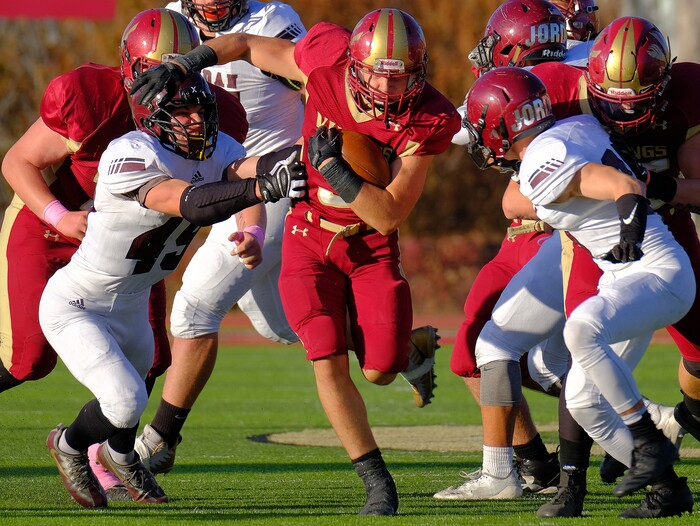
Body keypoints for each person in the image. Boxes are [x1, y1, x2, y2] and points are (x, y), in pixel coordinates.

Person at [130, 7, 460, 515]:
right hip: (305, 231)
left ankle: (403, 352)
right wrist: (184, 64)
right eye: (377, 74)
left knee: (377, 370)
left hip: (364, 240)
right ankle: (376, 480)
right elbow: (242, 43)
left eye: (402, 78)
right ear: (353, 63)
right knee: (313, 348)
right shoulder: (324, 60)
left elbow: (388, 216)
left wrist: (333, 168)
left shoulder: (429, 117)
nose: (389, 90)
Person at [0, 7, 248, 501]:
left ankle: (118, 454)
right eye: (154, 73)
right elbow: (18, 160)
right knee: (28, 359)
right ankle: (88, 445)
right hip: (54, 224)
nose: (167, 89)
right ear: (131, 71)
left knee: (151, 357)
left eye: (177, 72)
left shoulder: (208, 113)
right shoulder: (92, 98)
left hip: (127, 249)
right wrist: (58, 216)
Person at [40, 72, 306, 508]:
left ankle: (122, 457)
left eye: (203, 110)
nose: (197, 120)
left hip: (132, 303)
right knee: (124, 401)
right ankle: (68, 445)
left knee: (135, 396)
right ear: (156, 117)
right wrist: (261, 185)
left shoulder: (218, 147)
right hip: (78, 303)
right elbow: (191, 202)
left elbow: (246, 172)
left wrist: (259, 222)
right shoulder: (129, 153)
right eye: (185, 112)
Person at [463, 66, 694, 518]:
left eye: (481, 126)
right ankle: (668, 489)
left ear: (501, 127)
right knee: (584, 403)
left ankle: (650, 442)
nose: (477, 136)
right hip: (624, 278)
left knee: (580, 331)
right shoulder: (575, 126)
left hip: (655, 271)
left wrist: (629, 217)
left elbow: (620, 185)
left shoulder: (538, 165)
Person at [528, 16, 700, 517]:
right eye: (610, 101)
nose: (623, 115)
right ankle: (588, 481)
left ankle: (668, 430)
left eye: (637, 102)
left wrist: (653, 188)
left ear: (662, 86)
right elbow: (512, 197)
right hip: (597, 250)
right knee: (581, 371)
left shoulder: (686, 91)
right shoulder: (560, 95)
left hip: (660, 237)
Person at [133, 0, 307, 476]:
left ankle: (161, 439)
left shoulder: (272, 22)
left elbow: (323, 91)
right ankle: (395, 343)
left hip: (275, 183)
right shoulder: (170, 19)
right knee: (280, 323)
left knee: (195, 308)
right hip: (211, 181)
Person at [436, 0, 574, 500]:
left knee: (540, 364)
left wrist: (396, 122)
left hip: (547, 233)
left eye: (498, 42)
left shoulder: (552, 79)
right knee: (474, 354)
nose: (489, 52)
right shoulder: (576, 67)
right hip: (521, 235)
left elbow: (454, 128)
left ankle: (648, 427)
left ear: (518, 44)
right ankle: (534, 463)